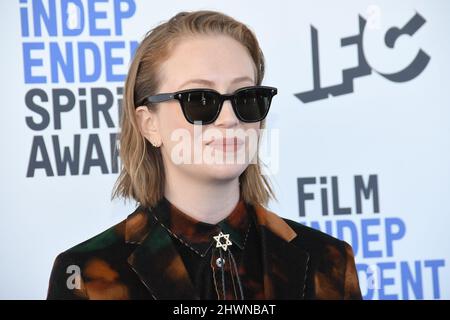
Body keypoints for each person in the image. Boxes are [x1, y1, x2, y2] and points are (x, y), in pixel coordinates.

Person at [47, 10, 362, 300]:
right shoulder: (85, 274)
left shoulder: (328, 260)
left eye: (246, 97)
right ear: (148, 124)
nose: (229, 119)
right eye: (199, 100)